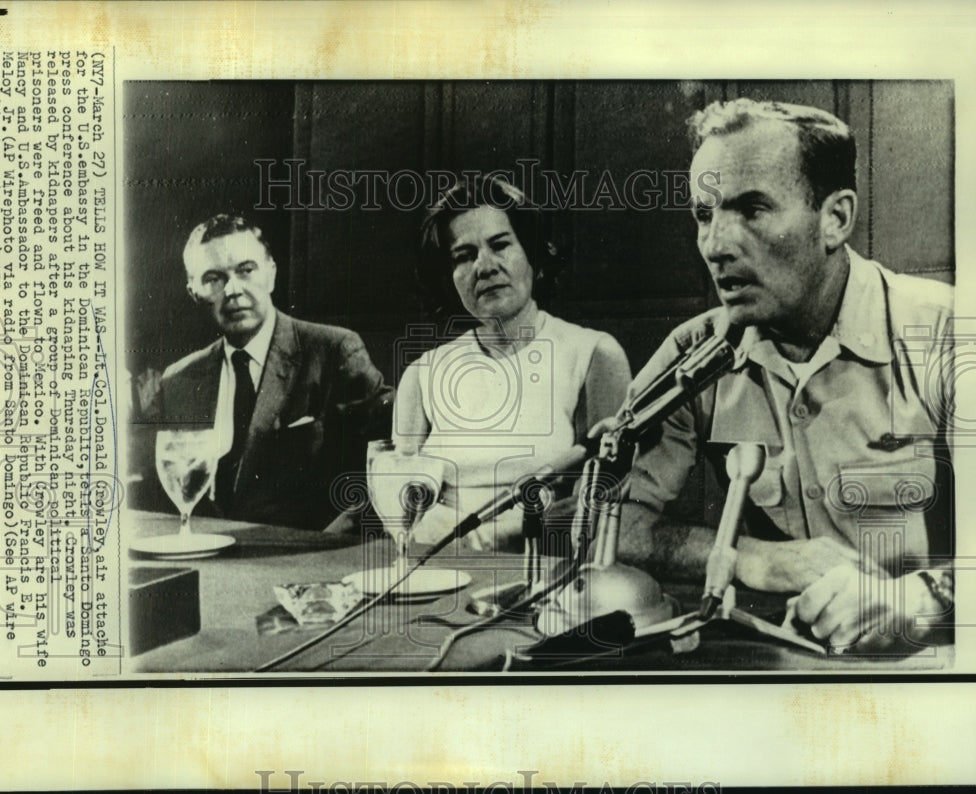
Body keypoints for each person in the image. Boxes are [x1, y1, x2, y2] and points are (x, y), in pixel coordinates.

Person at [613, 99, 955, 654]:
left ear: (835, 219)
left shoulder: (946, 333)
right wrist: (755, 558)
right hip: (776, 661)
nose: (716, 245)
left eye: (752, 209)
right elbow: (606, 522)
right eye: (705, 214)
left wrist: (922, 598)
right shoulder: (694, 354)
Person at [394, 175, 632, 551]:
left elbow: (606, 498)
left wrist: (490, 536)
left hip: (539, 568)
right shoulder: (422, 374)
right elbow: (400, 503)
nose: (484, 267)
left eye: (500, 245)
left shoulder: (594, 354)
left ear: (533, 255)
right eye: (464, 255)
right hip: (431, 566)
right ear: (449, 278)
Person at [139, 213, 394, 531]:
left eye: (246, 271)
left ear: (271, 273)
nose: (232, 289)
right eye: (213, 278)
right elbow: (163, 498)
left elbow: (392, 458)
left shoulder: (333, 351)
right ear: (194, 291)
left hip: (310, 561)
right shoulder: (178, 379)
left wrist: (331, 541)